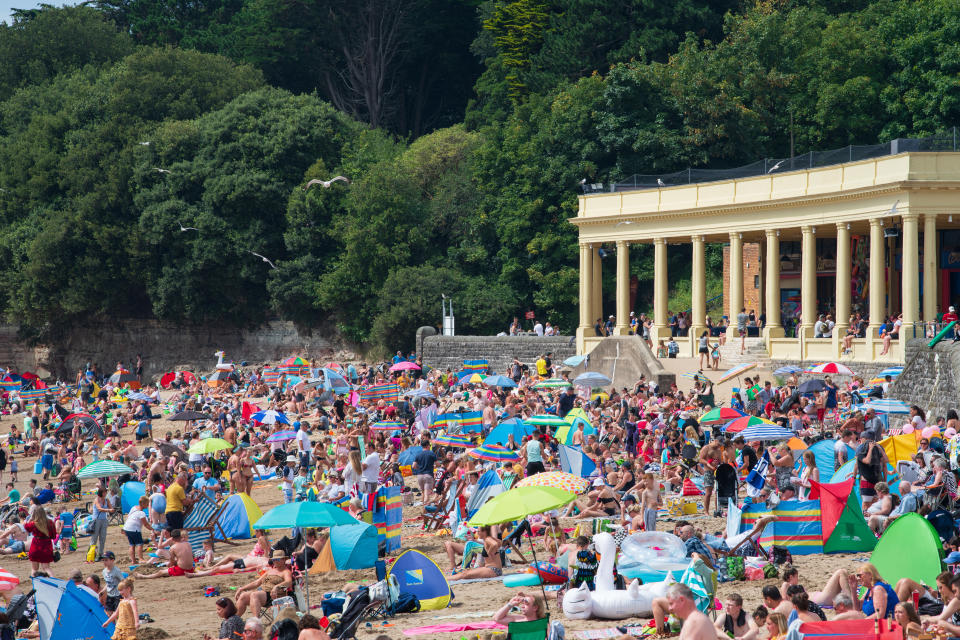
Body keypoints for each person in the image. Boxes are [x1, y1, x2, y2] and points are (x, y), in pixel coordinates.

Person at [235, 551, 293, 617]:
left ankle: (256, 621)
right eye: (273, 560)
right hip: (262, 593)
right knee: (243, 595)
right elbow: (257, 583)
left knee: (254, 594)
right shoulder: (270, 571)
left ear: (284, 560)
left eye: (278, 559)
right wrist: (241, 588)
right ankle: (235, 620)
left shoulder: (286, 572)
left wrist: (277, 587)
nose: (275, 561)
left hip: (273, 595)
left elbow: (289, 582)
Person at [24, 502, 54, 576]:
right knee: (46, 568)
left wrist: (30, 519)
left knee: (34, 569)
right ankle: (53, 582)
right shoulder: (50, 522)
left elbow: (26, 527)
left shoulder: (33, 523)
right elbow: (53, 536)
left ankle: (35, 584)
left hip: (36, 545)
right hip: (47, 545)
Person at [122, 496, 150, 564]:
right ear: (143, 504)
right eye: (147, 504)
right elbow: (146, 524)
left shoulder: (133, 508)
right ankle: (141, 558)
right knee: (140, 544)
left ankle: (133, 560)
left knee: (132, 545)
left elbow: (129, 516)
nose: (148, 505)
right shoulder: (141, 513)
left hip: (127, 528)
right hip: (134, 529)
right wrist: (152, 529)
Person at [90, 487, 112, 561]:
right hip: (96, 520)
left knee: (103, 537)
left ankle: (100, 554)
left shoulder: (106, 500)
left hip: (104, 520)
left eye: (106, 492)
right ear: (101, 493)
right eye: (104, 492)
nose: (105, 493)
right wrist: (109, 510)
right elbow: (99, 508)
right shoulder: (97, 500)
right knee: (94, 538)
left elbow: (111, 507)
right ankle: (91, 554)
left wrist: (112, 509)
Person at [412, 438, 437, 503]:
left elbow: (413, 466)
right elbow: (437, 464)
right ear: (427, 445)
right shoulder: (431, 454)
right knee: (427, 494)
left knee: (423, 492)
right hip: (428, 475)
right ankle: (425, 507)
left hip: (420, 475)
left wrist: (419, 468)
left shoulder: (418, 454)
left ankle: (423, 505)